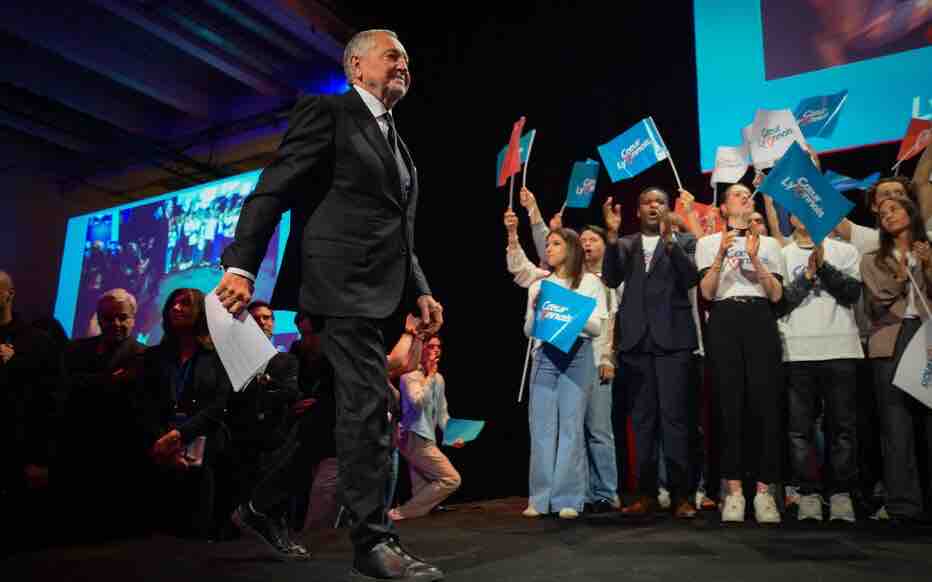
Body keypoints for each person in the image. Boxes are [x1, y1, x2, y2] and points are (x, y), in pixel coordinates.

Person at [215, 29, 444, 581]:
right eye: (393, 54)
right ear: (356, 67)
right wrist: (241, 265)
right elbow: (274, 186)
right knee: (369, 404)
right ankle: (373, 543)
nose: (403, 64)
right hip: (336, 286)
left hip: (380, 289)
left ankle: (262, 505)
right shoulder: (328, 112)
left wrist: (421, 289)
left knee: (334, 413)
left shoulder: (397, 139)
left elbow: (397, 228)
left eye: (408, 58)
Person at [601, 188, 700, 519]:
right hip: (637, 345)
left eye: (659, 202)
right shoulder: (626, 244)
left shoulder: (682, 242)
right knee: (642, 423)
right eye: (647, 202)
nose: (653, 206)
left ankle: (681, 495)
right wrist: (612, 236)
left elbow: (689, 279)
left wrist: (671, 242)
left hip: (673, 344)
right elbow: (612, 278)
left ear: (667, 209)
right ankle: (646, 494)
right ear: (637, 210)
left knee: (676, 422)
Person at [505, 215, 607, 519]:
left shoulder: (590, 283)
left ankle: (568, 499)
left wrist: (564, 310)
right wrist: (538, 313)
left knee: (571, 428)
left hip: (577, 357)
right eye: (547, 244)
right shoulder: (539, 286)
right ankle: (540, 497)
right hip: (546, 357)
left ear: (571, 249)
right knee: (542, 429)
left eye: (555, 243)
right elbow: (527, 330)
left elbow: (596, 327)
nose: (548, 248)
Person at [696, 183, 787, 524]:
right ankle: (733, 490)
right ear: (723, 208)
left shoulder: (770, 244)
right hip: (724, 319)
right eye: (736, 193)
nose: (745, 196)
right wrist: (721, 254)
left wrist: (754, 260)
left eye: (748, 193)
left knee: (764, 404)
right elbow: (706, 292)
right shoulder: (707, 244)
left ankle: (764, 492)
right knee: (728, 404)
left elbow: (777, 295)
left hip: (760, 318)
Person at [778, 217, 863, 522]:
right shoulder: (782, 254)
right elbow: (780, 302)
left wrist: (825, 267)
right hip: (797, 350)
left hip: (840, 348)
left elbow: (853, 293)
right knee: (800, 430)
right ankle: (809, 493)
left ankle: (841, 494)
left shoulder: (846, 250)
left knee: (842, 428)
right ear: (790, 217)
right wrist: (809, 274)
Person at [135, 288, 231, 538]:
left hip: (204, 451)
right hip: (158, 450)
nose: (175, 309)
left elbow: (219, 405)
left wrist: (178, 436)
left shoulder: (219, 356)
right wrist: (162, 440)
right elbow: (144, 403)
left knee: (194, 535)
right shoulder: (154, 356)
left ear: (200, 312)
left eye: (184, 304)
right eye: (173, 304)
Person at [860, 197, 932, 523]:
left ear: (911, 213)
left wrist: (928, 266)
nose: (888, 215)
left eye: (895, 209)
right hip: (892, 339)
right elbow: (876, 301)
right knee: (895, 422)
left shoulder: (928, 249)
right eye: (883, 212)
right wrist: (902, 276)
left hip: (926, 333)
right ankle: (903, 503)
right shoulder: (874, 259)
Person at [60, 289, 147, 537]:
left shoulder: (146, 356)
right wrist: (110, 381)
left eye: (122, 317)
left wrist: (89, 383)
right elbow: (66, 390)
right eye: (108, 318)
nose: (115, 324)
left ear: (133, 317)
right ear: (98, 318)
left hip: (121, 456)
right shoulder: (75, 350)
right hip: (78, 450)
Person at [228, 301, 310, 560]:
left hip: (276, 438)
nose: (264, 322)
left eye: (268, 318)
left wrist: (267, 384)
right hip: (240, 439)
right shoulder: (232, 359)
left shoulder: (285, 360)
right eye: (257, 318)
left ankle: (282, 542)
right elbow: (232, 397)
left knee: (275, 501)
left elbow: (291, 392)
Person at [0, 270, 62, 551]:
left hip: (19, 453)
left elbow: (50, 403)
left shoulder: (36, 342)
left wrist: (41, 458)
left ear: (9, 294)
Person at [390, 335, 463, 520]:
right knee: (451, 479)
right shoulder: (409, 377)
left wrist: (452, 435)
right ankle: (400, 512)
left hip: (427, 437)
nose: (436, 350)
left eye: (438, 346)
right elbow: (417, 403)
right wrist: (429, 377)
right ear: (420, 349)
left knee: (423, 491)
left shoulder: (439, 379)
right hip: (413, 437)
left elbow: (442, 413)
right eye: (431, 346)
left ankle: (409, 516)